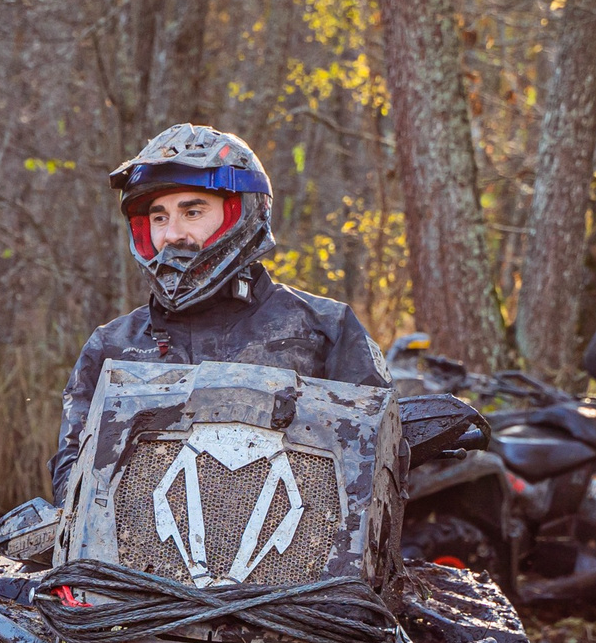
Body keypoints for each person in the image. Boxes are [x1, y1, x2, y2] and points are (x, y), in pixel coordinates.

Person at [50, 123, 392, 502]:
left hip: (297, 554)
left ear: (241, 213)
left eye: (192, 212)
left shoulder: (324, 328)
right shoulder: (113, 345)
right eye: (159, 218)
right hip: (136, 559)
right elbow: (75, 487)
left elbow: (375, 471)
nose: (171, 234)